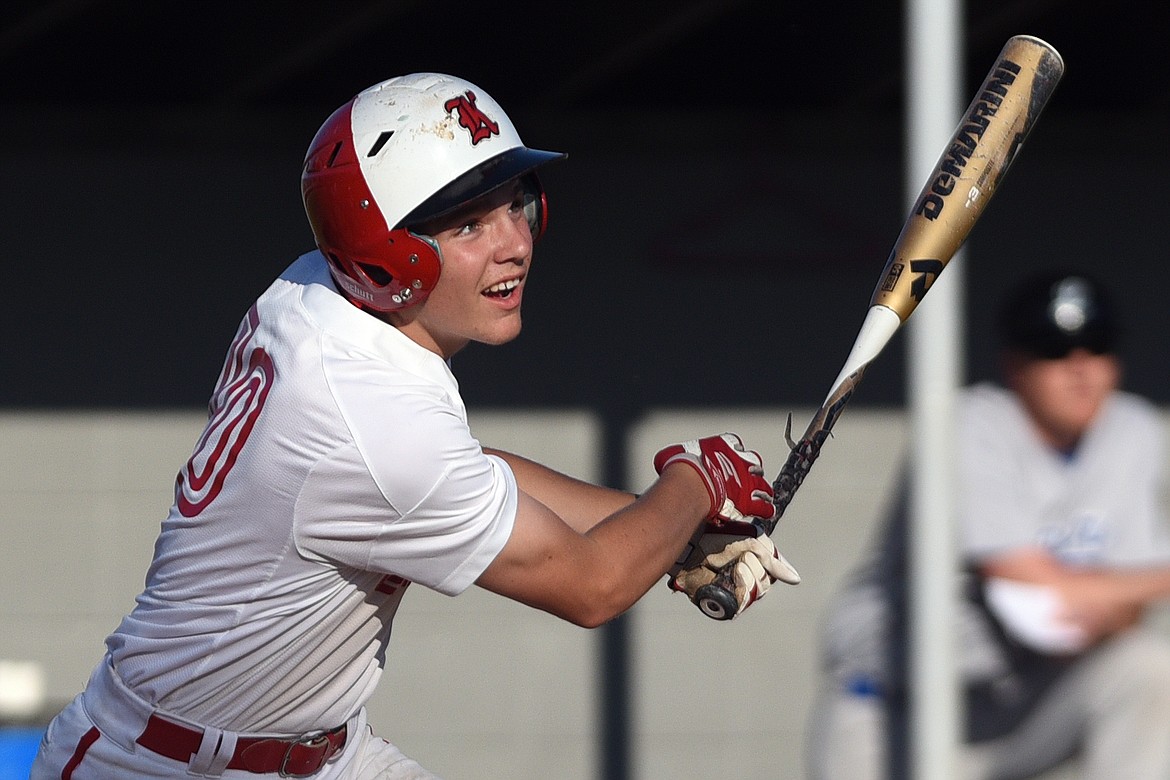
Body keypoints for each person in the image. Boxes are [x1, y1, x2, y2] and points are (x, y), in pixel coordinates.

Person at [30, 73, 799, 779]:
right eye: (468, 226)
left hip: (320, 750)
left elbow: (468, 467)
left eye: (516, 201)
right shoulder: (370, 418)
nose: (516, 243)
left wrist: (668, 532)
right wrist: (695, 484)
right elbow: (591, 587)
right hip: (161, 765)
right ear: (383, 259)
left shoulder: (323, 297)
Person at [806, 270, 1170, 780]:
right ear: (1016, 367)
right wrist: (1129, 586)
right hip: (890, 710)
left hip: (1014, 709)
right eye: (1055, 352)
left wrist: (1109, 596)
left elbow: (1122, 609)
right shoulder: (969, 423)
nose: (1081, 370)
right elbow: (1024, 575)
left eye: (1097, 348)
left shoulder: (1132, 431)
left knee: (1149, 669)